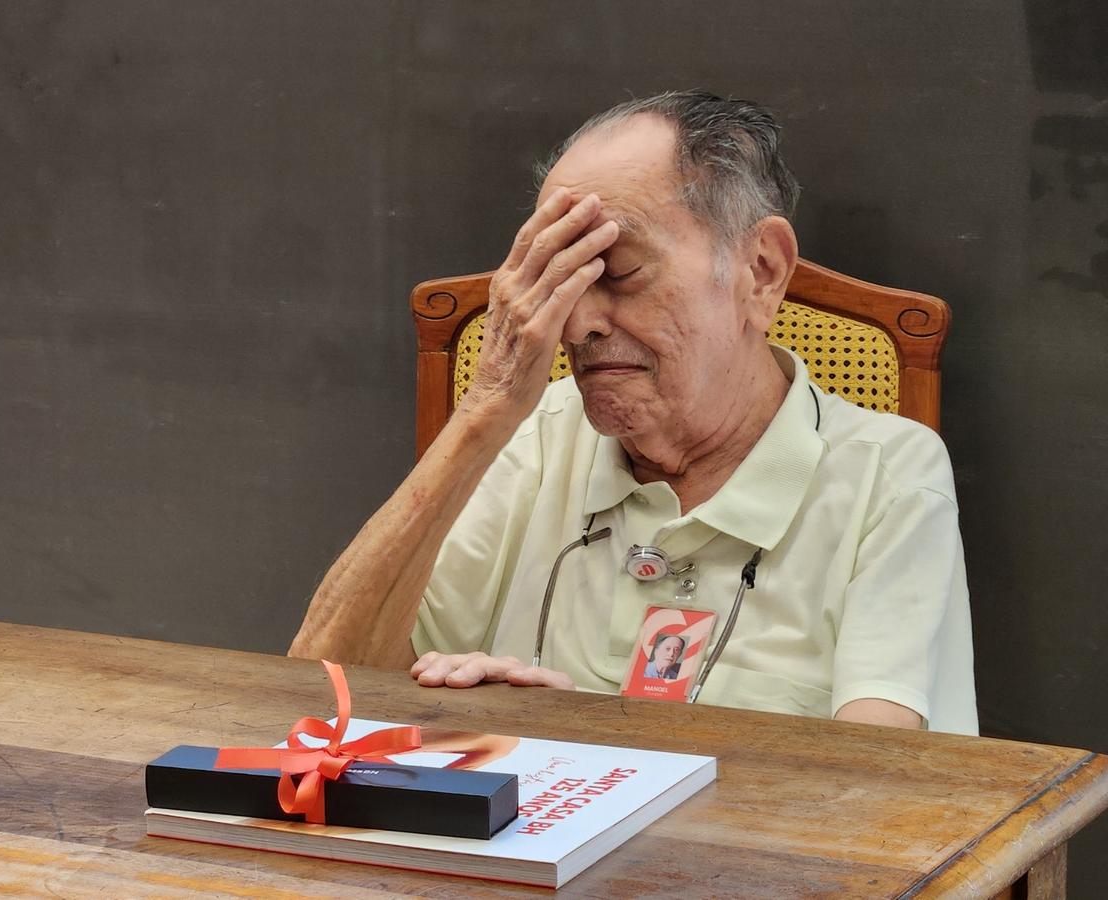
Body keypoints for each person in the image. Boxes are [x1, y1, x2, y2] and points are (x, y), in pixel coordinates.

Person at [289, 90, 978, 735]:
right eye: (559, 280)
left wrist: (586, 743)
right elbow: (321, 701)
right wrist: (485, 411)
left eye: (617, 275)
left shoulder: (887, 480)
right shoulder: (538, 435)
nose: (576, 323)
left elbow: (881, 793)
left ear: (760, 271)